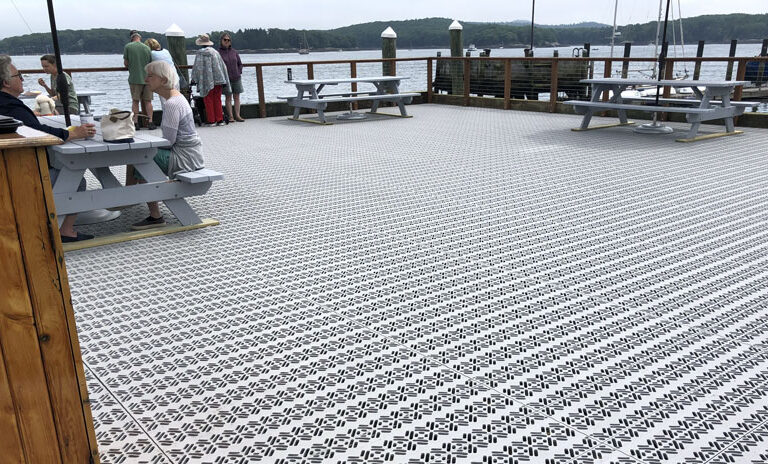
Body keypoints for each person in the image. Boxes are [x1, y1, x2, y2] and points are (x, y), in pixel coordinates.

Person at [0, 55, 96, 243]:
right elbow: (38, 132)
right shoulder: (10, 105)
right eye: (18, 75)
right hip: (23, 174)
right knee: (75, 179)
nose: (21, 78)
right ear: (5, 82)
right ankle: (64, 230)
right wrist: (71, 134)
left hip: (10, 169)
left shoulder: (5, 104)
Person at [132, 61, 204, 230]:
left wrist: (146, 144)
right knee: (139, 155)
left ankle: (149, 212)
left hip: (184, 158)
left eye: (150, 76)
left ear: (163, 80)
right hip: (191, 154)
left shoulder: (172, 104)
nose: (146, 79)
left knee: (139, 157)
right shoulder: (176, 98)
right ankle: (128, 196)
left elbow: (169, 142)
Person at [190, 34, 230, 127]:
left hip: (206, 80)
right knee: (217, 99)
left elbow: (197, 68)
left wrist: (194, 79)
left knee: (208, 99)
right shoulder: (215, 52)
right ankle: (220, 119)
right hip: (218, 79)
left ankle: (211, 120)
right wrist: (224, 79)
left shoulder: (200, 54)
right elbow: (222, 65)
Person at [123, 31, 155, 130]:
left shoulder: (128, 47)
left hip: (135, 78)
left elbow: (126, 63)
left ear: (131, 38)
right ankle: (150, 122)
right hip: (147, 79)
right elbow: (151, 63)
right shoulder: (147, 48)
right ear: (139, 38)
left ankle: (136, 123)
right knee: (148, 101)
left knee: (135, 101)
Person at [218, 32, 245, 122]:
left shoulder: (234, 52)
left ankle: (238, 115)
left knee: (237, 97)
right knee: (228, 97)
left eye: (228, 40)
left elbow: (240, 64)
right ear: (221, 41)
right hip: (226, 79)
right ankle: (231, 116)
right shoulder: (218, 53)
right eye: (225, 39)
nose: (226, 41)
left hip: (236, 78)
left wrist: (239, 71)